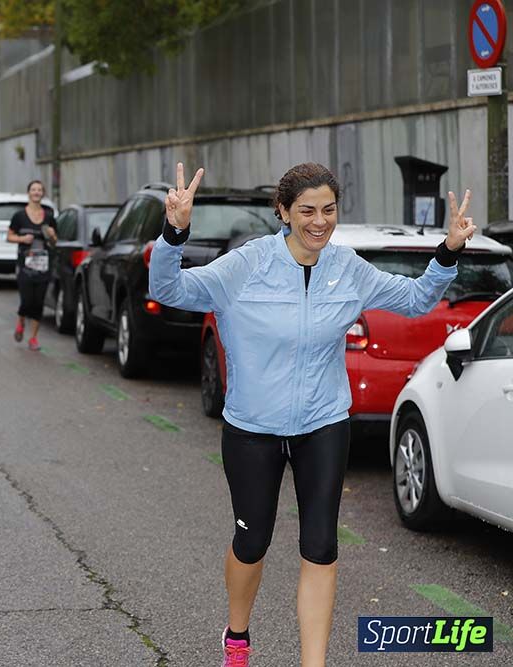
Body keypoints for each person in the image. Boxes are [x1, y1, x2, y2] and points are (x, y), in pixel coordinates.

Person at [149, 162, 475, 667]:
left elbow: (414, 300)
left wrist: (449, 250)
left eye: (328, 210)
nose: (319, 221)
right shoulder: (244, 267)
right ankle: (237, 635)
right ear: (283, 212)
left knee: (321, 545)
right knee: (251, 542)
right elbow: (167, 290)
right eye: (307, 210)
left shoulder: (348, 268)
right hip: (252, 429)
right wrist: (175, 231)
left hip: (323, 424)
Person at [7, 180, 57, 351]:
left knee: (39, 302)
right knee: (27, 300)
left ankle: (33, 338)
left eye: (39, 190)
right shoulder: (19, 216)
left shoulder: (49, 216)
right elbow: (9, 236)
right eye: (33, 190)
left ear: (43, 193)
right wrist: (22, 239)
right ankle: (21, 322)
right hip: (25, 266)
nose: (36, 192)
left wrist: (51, 235)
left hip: (43, 265)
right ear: (28, 193)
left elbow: (55, 241)